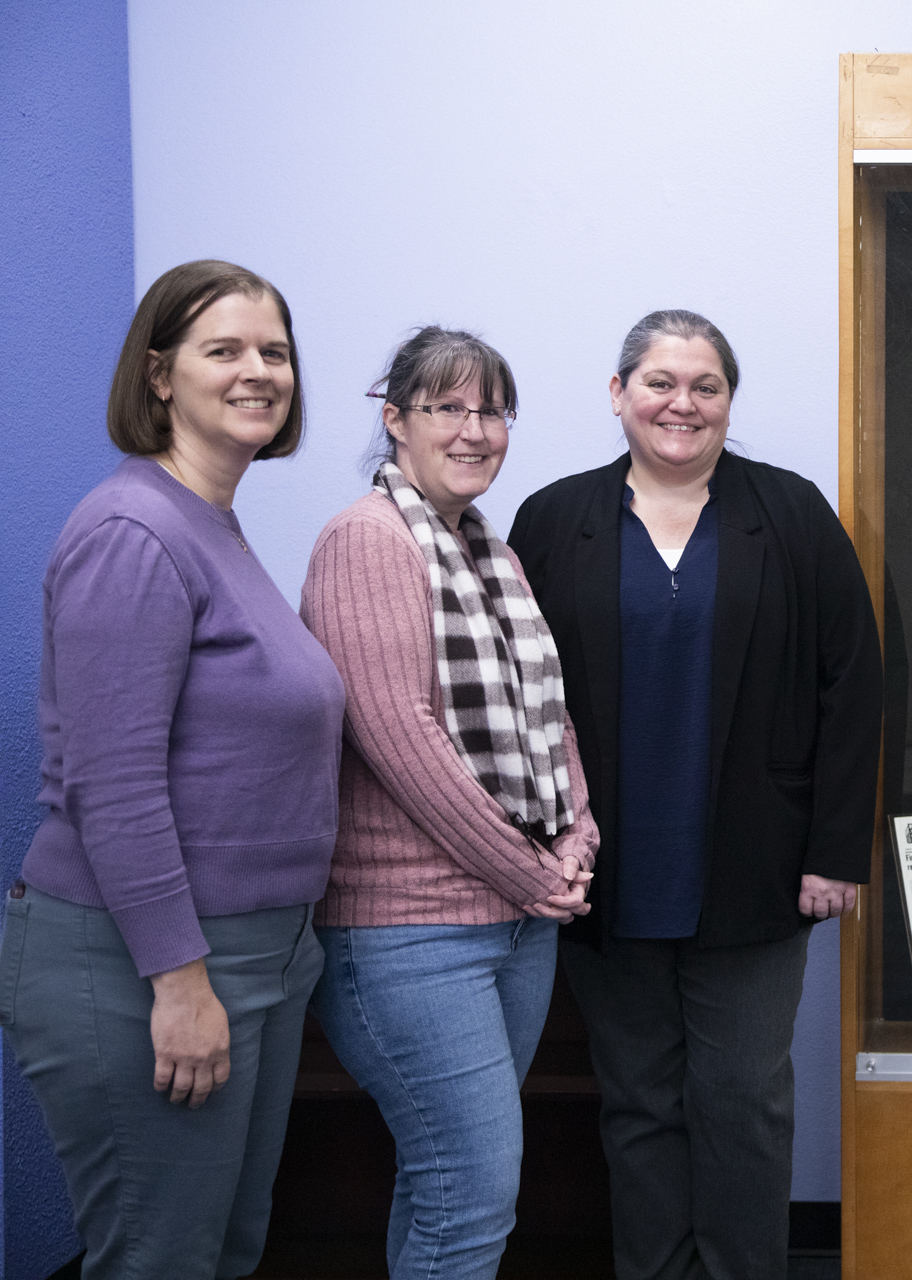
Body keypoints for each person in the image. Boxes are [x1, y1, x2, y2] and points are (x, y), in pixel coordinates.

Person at [508, 309, 881, 1280]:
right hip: (609, 870)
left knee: (742, 1098)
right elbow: (515, 697)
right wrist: (530, 846)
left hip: (758, 867)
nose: (682, 402)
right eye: (660, 380)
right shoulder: (553, 520)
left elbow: (855, 682)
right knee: (637, 1099)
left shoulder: (790, 514)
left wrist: (837, 850)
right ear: (619, 392)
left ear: (728, 400)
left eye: (705, 385)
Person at [0, 260, 345, 1279]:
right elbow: (112, 783)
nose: (258, 371)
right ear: (158, 375)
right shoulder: (133, 532)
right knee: (161, 1258)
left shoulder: (211, 525)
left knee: (222, 1249)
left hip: (255, 954)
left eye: (273, 351)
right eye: (224, 349)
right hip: (146, 959)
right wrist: (180, 979)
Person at [300, 328, 598, 1278]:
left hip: (514, 924)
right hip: (410, 932)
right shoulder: (368, 540)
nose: (474, 430)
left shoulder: (489, 553)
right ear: (395, 421)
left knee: (450, 1188)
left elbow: (547, 712)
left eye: (492, 410)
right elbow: (399, 740)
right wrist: (530, 868)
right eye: (447, 408)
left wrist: (578, 830)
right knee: (470, 1195)